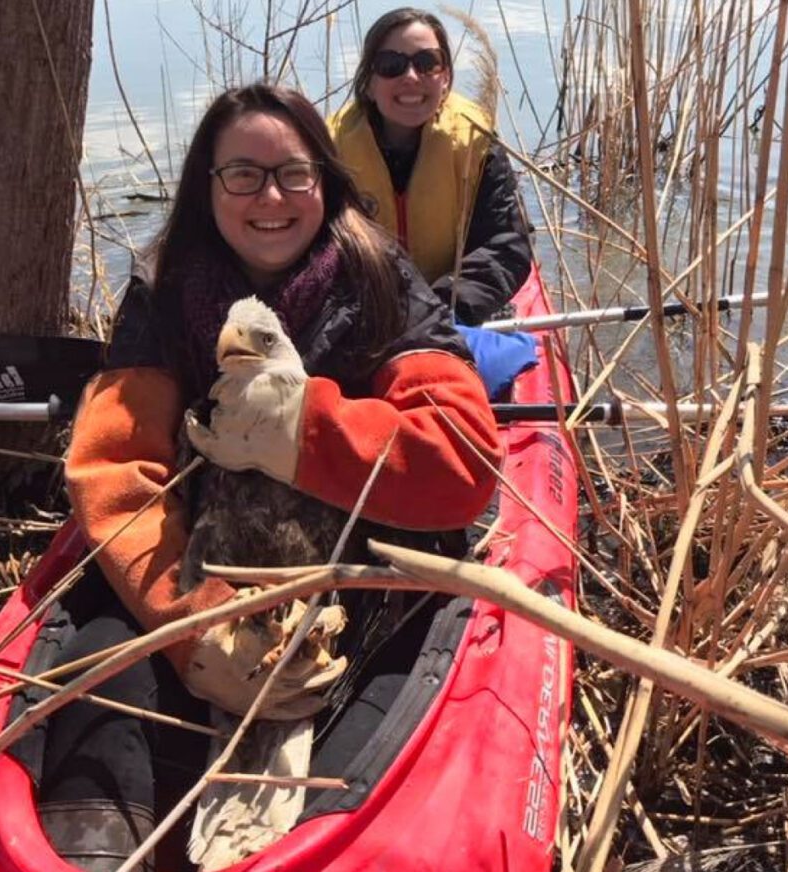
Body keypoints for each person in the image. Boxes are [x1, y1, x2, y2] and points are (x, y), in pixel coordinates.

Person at [39, 82, 502, 871]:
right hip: (207, 563)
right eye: (243, 175)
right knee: (102, 657)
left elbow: (462, 465)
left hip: (353, 575)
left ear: (324, 179)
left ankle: (313, 842)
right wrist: (192, 625)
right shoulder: (162, 294)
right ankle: (97, 849)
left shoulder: (382, 282)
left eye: (293, 173)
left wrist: (306, 430)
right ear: (207, 187)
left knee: (386, 689)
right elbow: (117, 468)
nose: (272, 198)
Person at [328, 7, 533, 328]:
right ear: (368, 83)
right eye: (391, 65)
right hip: (365, 316)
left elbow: (506, 246)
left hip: (454, 311)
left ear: (446, 78)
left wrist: (441, 309)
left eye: (427, 63)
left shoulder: (475, 143)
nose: (411, 77)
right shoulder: (330, 151)